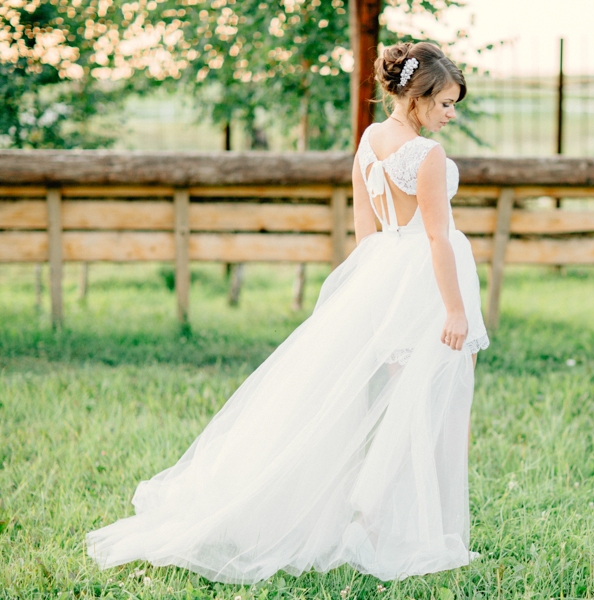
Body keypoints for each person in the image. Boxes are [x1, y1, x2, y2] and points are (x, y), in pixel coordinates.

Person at [85, 41, 489, 584]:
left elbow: (366, 231)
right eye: (444, 103)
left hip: (382, 278)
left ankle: (383, 519)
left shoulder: (370, 142)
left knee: (396, 407)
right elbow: (438, 236)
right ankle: (399, 528)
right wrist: (455, 310)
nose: (450, 114)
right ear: (416, 98)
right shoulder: (429, 155)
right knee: (429, 410)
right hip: (423, 289)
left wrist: (367, 293)